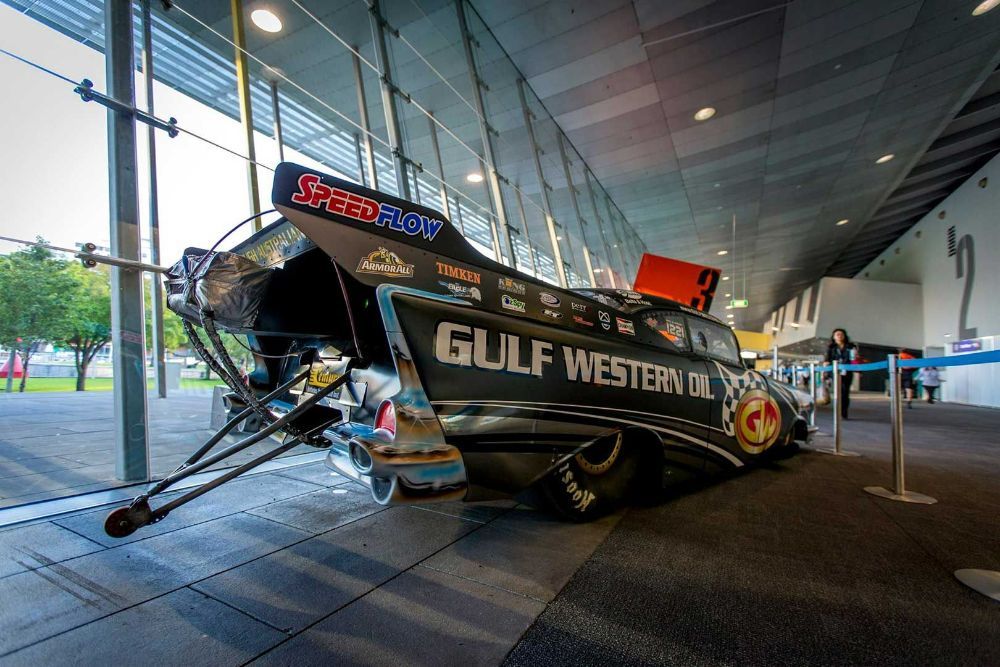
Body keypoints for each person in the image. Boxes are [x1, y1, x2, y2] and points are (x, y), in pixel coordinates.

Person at [825, 328, 858, 419]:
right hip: (835, 372)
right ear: (834, 337)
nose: (839, 336)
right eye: (837, 334)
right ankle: (837, 411)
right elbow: (827, 360)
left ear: (844, 336)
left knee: (845, 392)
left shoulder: (850, 346)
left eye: (841, 334)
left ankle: (844, 412)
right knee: (838, 392)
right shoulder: (831, 347)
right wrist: (826, 372)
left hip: (847, 372)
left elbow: (854, 358)